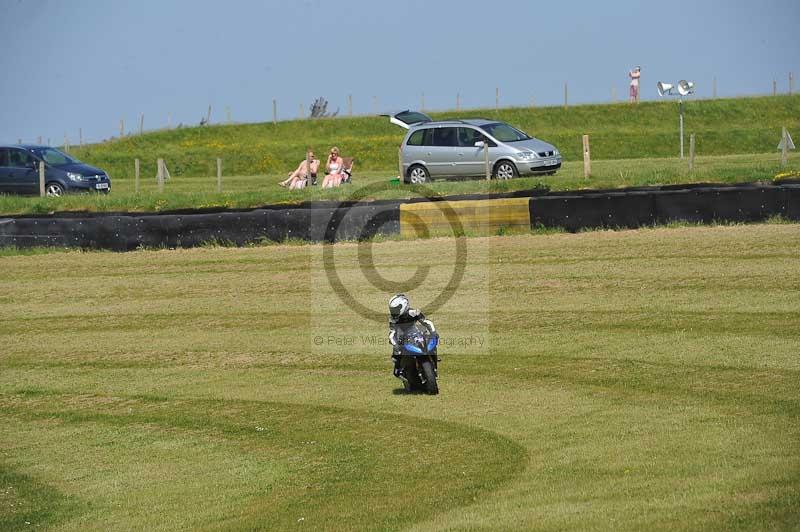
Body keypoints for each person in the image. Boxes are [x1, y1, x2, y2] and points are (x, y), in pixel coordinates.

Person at [387, 293, 436, 379]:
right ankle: (398, 368)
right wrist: (395, 344)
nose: (394, 312)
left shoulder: (414, 313)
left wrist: (433, 332)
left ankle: (434, 364)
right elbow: (392, 333)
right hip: (401, 337)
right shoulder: (393, 319)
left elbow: (426, 322)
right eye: (392, 309)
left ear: (404, 306)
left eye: (396, 309)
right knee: (397, 352)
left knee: (431, 342)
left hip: (416, 334)